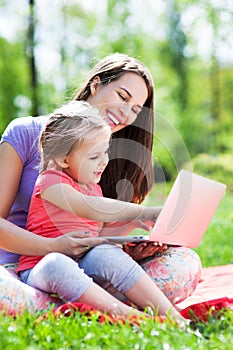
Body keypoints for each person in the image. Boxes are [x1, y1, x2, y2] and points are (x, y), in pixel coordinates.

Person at [0, 53, 202, 315]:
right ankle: (103, 309)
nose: (126, 113)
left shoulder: (107, 162)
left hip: (87, 272)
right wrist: (53, 247)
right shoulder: (26, 133)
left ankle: (76, 307)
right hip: (21, 272)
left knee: (185, 264)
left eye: (136, 110)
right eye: (122, 96)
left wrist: (132, 251)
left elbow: (97, 238)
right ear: (96, 85)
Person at [17, 100, 186, 322]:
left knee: (106, 253)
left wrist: (131, 227)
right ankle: (138, 320)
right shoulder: (50, 182)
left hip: (84, 265)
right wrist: (141, 212)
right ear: (63, 159)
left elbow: (96, 235)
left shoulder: (93, 188)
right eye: (94, 156)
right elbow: (89, 208)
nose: (104, 162)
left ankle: (174, 317)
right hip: (39, 269)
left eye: (105, 152)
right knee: (56, 263)